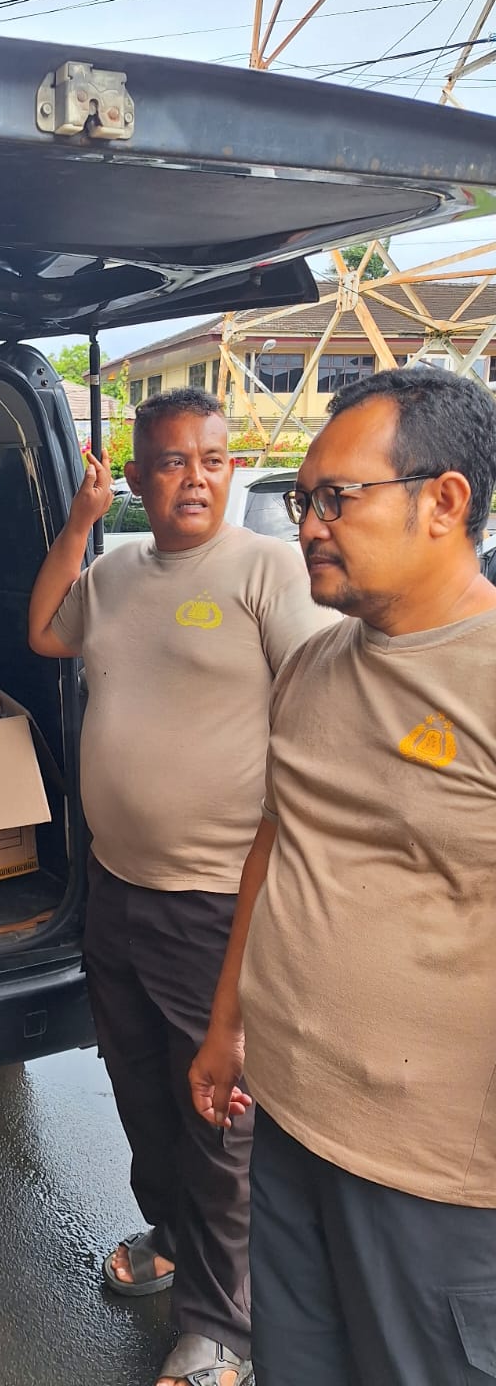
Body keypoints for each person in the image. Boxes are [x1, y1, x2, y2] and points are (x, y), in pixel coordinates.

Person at [189, 366, 496, 1386]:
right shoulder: (314, 667)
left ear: (443, 501)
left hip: (433, 1178)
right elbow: (276, 847)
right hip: (288, 1120)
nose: (309, 526)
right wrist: (227, 1024)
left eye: (337, 497)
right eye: (301, 500)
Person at [29, 387, 332, 1386]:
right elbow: (46, 632)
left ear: (231, 467)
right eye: (171, 461)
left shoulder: (265, 570)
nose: (195, 478)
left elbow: (321, 712)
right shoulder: (116, 572)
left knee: (217, 1117)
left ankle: (222, 1325)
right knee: (139, 1090)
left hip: (213, 901)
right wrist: (80, 522)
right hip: (115, 887)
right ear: (137, 474)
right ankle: (169, 1235)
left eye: (211, 459)